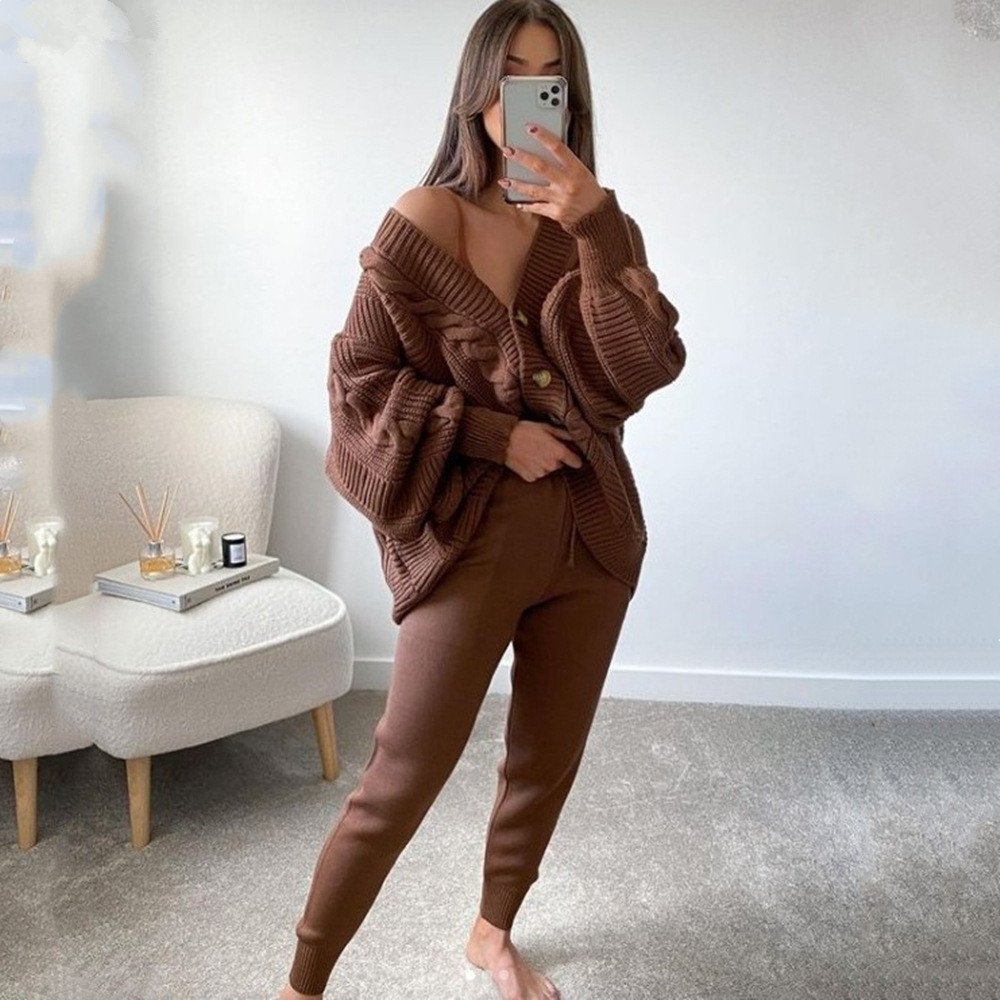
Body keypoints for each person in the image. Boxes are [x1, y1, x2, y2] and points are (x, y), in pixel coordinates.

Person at [280, 2, 685, 998]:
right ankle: (302, 983)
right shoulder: (426, 220)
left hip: (593, 535)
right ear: (475, 92)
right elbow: (356, 386)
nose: (531, 99)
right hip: (474, 535)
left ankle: (491, 933)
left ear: (573, 98)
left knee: (545, 760)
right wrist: (496, 435)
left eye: (552, 79)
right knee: (401, 774)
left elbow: (644, 366)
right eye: (513, 76)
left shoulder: (600, 226)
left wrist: (593, 229)